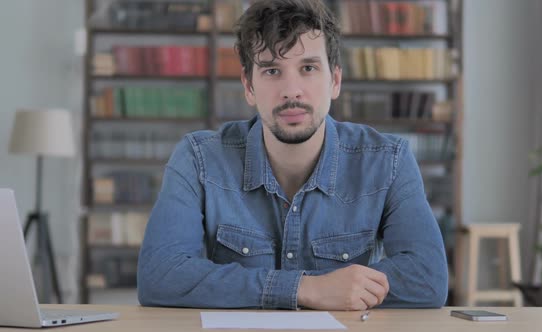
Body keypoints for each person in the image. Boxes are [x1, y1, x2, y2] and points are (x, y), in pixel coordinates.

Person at [137, 0, 447, 310]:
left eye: (308, 68)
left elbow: (427, 279)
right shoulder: (198, 158)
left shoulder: (388, 161)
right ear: (249, 86)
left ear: (335, 81)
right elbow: (159, 275)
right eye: (272, 70)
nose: (292, 91)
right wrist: (305, 288)